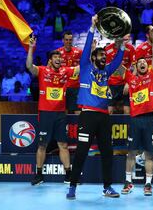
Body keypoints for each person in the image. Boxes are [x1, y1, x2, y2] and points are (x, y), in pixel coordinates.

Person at [66, 15, 126, 199]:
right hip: (88, 116)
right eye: (100, 55)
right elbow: (86, 48)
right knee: (82, 152)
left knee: (108, 153)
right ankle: (73, 186)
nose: (104, 57)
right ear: (93, 57)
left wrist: (122, 44)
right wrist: (92, 27)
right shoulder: (85, 67)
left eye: (104, 55)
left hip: (104, 118)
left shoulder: (106, 71)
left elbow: (117, 61)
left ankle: (108, 187)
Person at [27, 38, 79, 186]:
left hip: (60, 114)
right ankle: (38, 175)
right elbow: (29, 66)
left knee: (63, 144)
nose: (58, 59)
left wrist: (90, 51)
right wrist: (31, 48)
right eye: (55, 57)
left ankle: (68, 174)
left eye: (59, 57)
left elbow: (80, 68)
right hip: (45, 113)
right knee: (42, 145)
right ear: (50, 60)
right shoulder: (43, 71)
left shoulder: (65, 72)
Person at [121, 26, 153, 196]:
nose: (143, 63)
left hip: (150, 119)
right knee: (131, 152)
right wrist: (121, 44)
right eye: (139, 62)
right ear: (136, 66)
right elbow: (117, 65)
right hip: (135, 119)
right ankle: (128, 182)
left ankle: (148, 184)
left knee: (149, 153)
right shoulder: (131, 79)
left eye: (145, 61)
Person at [105, 37, 134, 114]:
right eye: (116, 35)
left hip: (125, 85)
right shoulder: (107, 49)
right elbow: (105, 70)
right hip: (111, 85)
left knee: (127, 111)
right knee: (109, 111)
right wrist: (106, 86)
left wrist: (128, 83)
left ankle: (128, 126)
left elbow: (135, 68)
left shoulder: (130, 48)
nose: (118, 37)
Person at [57, 30, 82, 114]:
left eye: (70, 40)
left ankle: (78, 127)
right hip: (62, 87)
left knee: (78, 112)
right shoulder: (57, 53)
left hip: (76, 87)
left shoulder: (79, 52)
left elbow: (85, 65)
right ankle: (64, 127)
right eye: (66, 40)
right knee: (63, 112)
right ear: (62, 40)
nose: (68, 42)